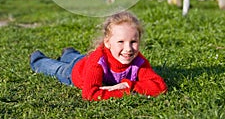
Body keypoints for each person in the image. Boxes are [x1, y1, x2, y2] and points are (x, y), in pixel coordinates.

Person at [30, 11, 167, 101]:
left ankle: (69, 53)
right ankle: (38, 59)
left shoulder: (138, 61)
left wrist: (127, 86)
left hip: (85, 60)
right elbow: (90, 94)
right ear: (107, 42)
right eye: (121, 42)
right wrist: (124, 92)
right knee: (58, 69)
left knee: (80, 57)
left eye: (133, 42)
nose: (128, 49)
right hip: (76, 72)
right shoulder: (98, 61)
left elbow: (159, 87)